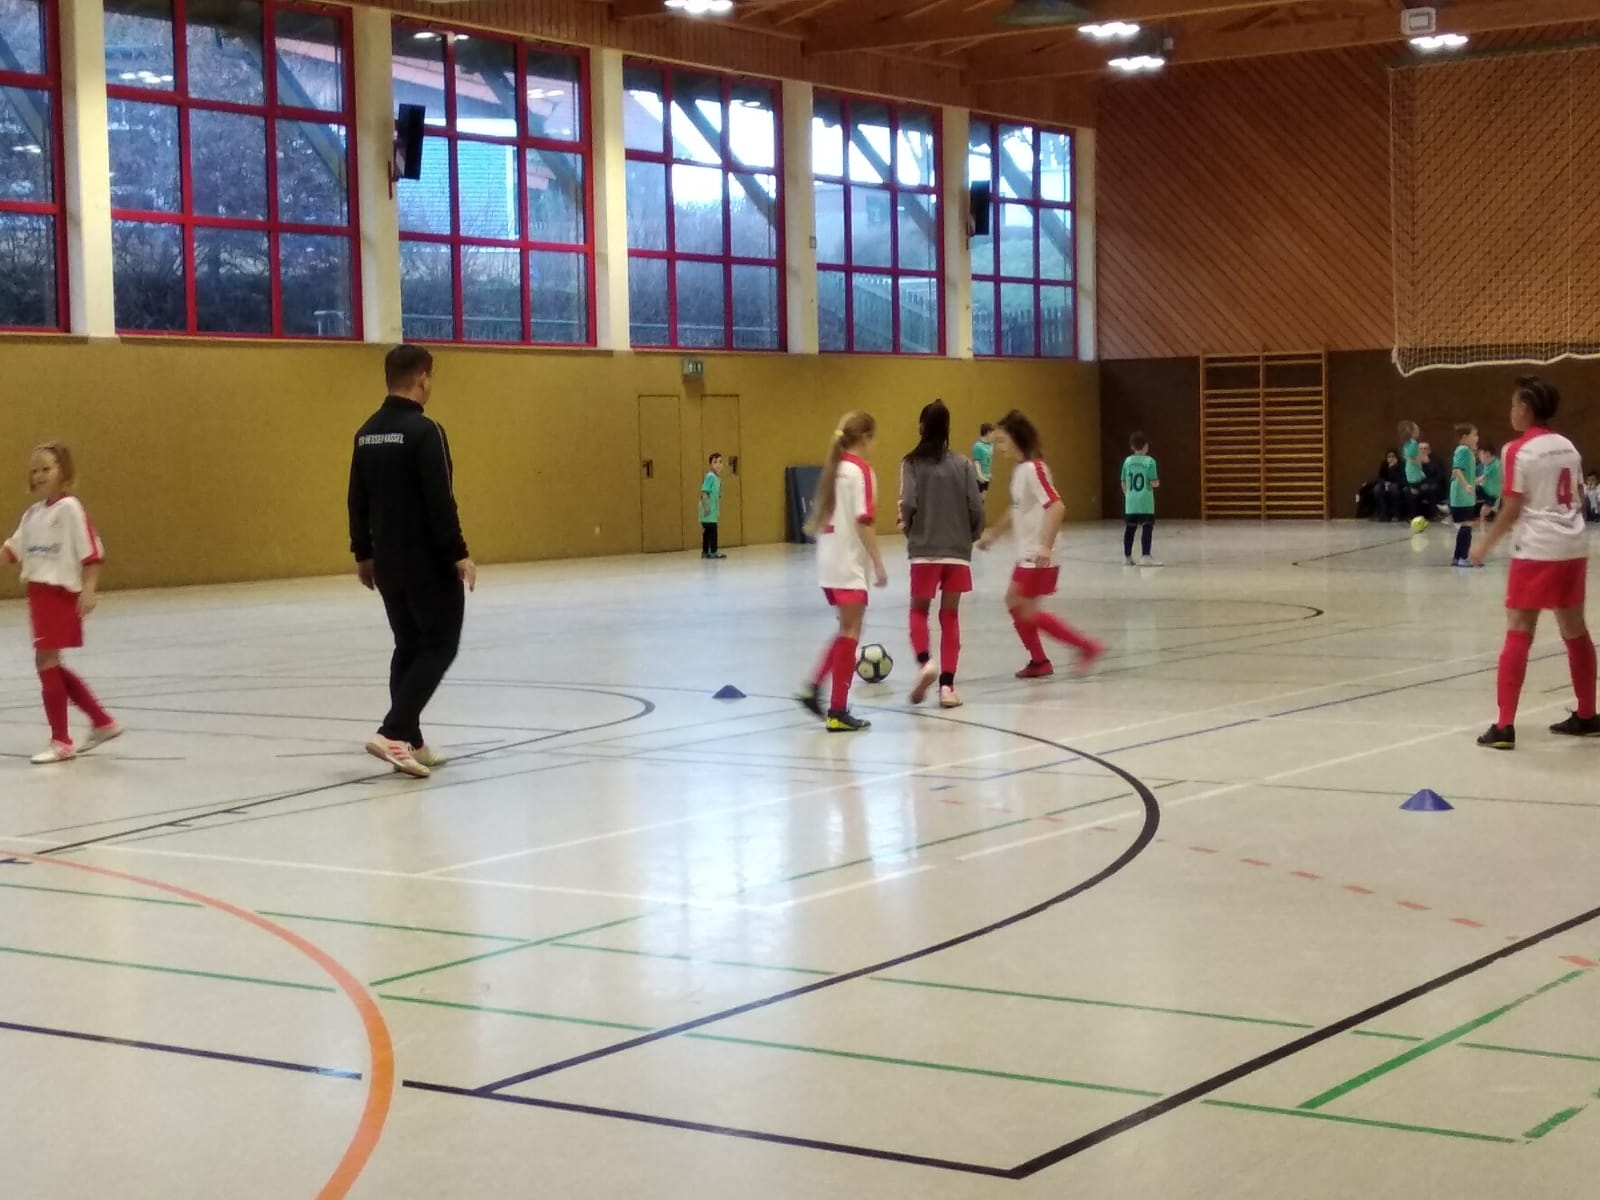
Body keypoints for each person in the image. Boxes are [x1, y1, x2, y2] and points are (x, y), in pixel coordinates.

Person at [348, 345, 476, 779]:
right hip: (427, 563)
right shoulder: (425, 431)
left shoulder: (366, 432)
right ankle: (392, 732)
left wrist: (363, 553)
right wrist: (458, 552)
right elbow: (440, 499)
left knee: (408, 644)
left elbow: (357, 498)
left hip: (388, 562)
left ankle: (412, 740)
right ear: (423, 377)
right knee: (440, 644)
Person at [1469, 377, 1597, 749]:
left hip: (1536, 549)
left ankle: (1504, 726)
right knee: (1575, 629)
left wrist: (1484, 545)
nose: (1510, 411)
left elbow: (1512, 508)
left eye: (1513, 405)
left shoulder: (1517, 450)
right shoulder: (1568, 446)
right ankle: (1587, 714)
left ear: (1525, 409)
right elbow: (1576, 495)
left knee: (1519, 629)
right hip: (1572, 545)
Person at [3, 442, 121, 765]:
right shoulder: (32, 515)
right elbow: (12, 551)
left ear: (63, 471)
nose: (40, 475)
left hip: (59, 594)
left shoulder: (70, 508)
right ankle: (102, 722)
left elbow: (92, 553)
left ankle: (61, 741)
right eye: (35, 470)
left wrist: (89, 589)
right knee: (49, 663)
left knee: (46, 661)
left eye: (47, 468)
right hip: (38, 594)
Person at [978, 410, 1104, 679]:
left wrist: (1045, 546)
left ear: (1017, 439)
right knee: (1015, 602)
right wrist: (995, 533)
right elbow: (1016, 508)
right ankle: (1039, 661)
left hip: (1038, 553)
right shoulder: (1020, 470)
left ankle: (1087, 647)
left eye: (1002, 441)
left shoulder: (1034, 469)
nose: (998, 447)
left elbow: (1057, 506)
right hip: (1027, 552)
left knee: (1024, 607)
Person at [799, 412, 887, 732]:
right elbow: (865, 520)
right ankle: (836, 710)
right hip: (848, 561)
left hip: (829, 560)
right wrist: (878, 561)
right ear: (865, 437)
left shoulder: (834, 469)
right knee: (851, 631)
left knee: (846, 629)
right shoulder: (860, 470)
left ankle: (814, 689)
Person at [899, 400, 984, 709]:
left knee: (918, 611)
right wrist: (971, 535)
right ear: (947, 428)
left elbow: (908, 502)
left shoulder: (911, 463)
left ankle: (926, 663)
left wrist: (910, 529)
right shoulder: (963, 464)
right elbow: (976, 505)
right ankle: (947, 686)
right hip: (957, 551)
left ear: (922, 426)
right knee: (950, 616)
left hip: (925, 550)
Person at [1120, 432, 1160, 566]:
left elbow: (1123, 482)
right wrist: (1156, 483)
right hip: (1145, 502)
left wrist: (1128, 495)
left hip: (1131, 503)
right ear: (1146, 446)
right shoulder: (1150, 462)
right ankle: (1145, 556)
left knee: (1130, 529)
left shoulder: (1127, 462)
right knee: (1147, 527)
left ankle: (1127, 557)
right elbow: (1154, 482)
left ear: (1132, 446)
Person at [1448, 424, 1481, 567]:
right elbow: (1457, 470)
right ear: (1464, 437)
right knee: (1467, 525)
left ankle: (1457, 557)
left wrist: (1475, 481)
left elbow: (1464, 472)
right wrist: (1466, 485)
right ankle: (1463, 557)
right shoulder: (1463, 450)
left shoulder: (1466, 451)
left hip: (1464, 496)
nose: (1477, 438)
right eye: (1474, 435)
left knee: (1466, 526)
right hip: (1461, 496)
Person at [700, 453, 725, 559]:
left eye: (720, 462)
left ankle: (705, 552)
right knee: (712, 530)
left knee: (708, 531)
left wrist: (718, 510)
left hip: (713, 511)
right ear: (710, 465)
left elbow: (718, 497)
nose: (718, 464)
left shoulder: (718, 479)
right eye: (715, 462)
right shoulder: (710, 476)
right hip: (707, 509)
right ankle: (713, 551)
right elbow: (704, 492)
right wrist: (706, 508)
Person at [1399, 420, 1424, 517]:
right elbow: (1413, 458)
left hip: (1411, 469)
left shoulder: (1407, 443)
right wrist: (1420, 458)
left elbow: (1406, 456)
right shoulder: (1413, 444)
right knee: (1415, 494)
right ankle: (1414, 516)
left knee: (1414, 493)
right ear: (1412, 432)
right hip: (1414, 471)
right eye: (1416, 429)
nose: (1419, 431)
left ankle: (1414, 516)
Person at [1476, 443, 1502, 522]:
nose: (1479, 457)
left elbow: (1481, 479)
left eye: (1480, 455)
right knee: (1485, 509)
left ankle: (1482, 519)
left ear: (1487, 455)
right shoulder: (1492, 462)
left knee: (1485, 509)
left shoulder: (1494, 466)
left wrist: (1466, 484)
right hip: (1488, 490)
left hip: (1491, 493)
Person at [971, 423, 995, 495]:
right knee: (978, 497)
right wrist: (979, 475)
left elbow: (989, 459)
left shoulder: (991, 445)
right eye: (992, 433)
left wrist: (989, 473)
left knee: (983, 497)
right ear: (988, 433)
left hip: (987, 476)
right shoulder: (978, 446)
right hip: (979, 478)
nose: (994, 436)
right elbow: (977, 462)